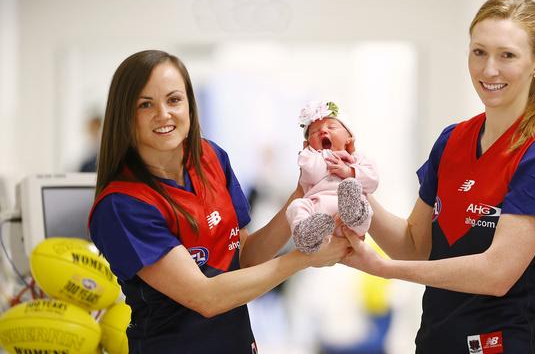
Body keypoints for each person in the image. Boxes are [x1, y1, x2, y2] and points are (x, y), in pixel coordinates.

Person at [341, 0, 535, 354]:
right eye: (479, 52)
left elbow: (496, 274)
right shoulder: (453, 140)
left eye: (507, 55)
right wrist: (350, 186)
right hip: (436, 341)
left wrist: (382, 269)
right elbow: (414, 246)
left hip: (504, 344)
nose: (489, 69)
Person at [88, 50, 350, 354]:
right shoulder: (123, 205)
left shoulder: (210, 157)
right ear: (125, 114)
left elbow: (245, 259)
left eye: (174, 100)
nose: (164, 114)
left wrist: (302, 194)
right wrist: (303, 258)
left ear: (189, 104)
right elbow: (206, 298)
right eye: (146, 104)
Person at [286, 101, 378, 253]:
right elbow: (312, 173)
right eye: (315, 132)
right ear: (308, 143)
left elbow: (373, 181)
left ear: (349, 137)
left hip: (350, 220)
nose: (323, 132)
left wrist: (349, 172)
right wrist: (329, 156)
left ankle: (353, 215)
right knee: (296, 207)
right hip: (317, 213)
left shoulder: (358, 158)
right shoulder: (309, 156)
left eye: (331, 127)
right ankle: (306, 234)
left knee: (359, 198)